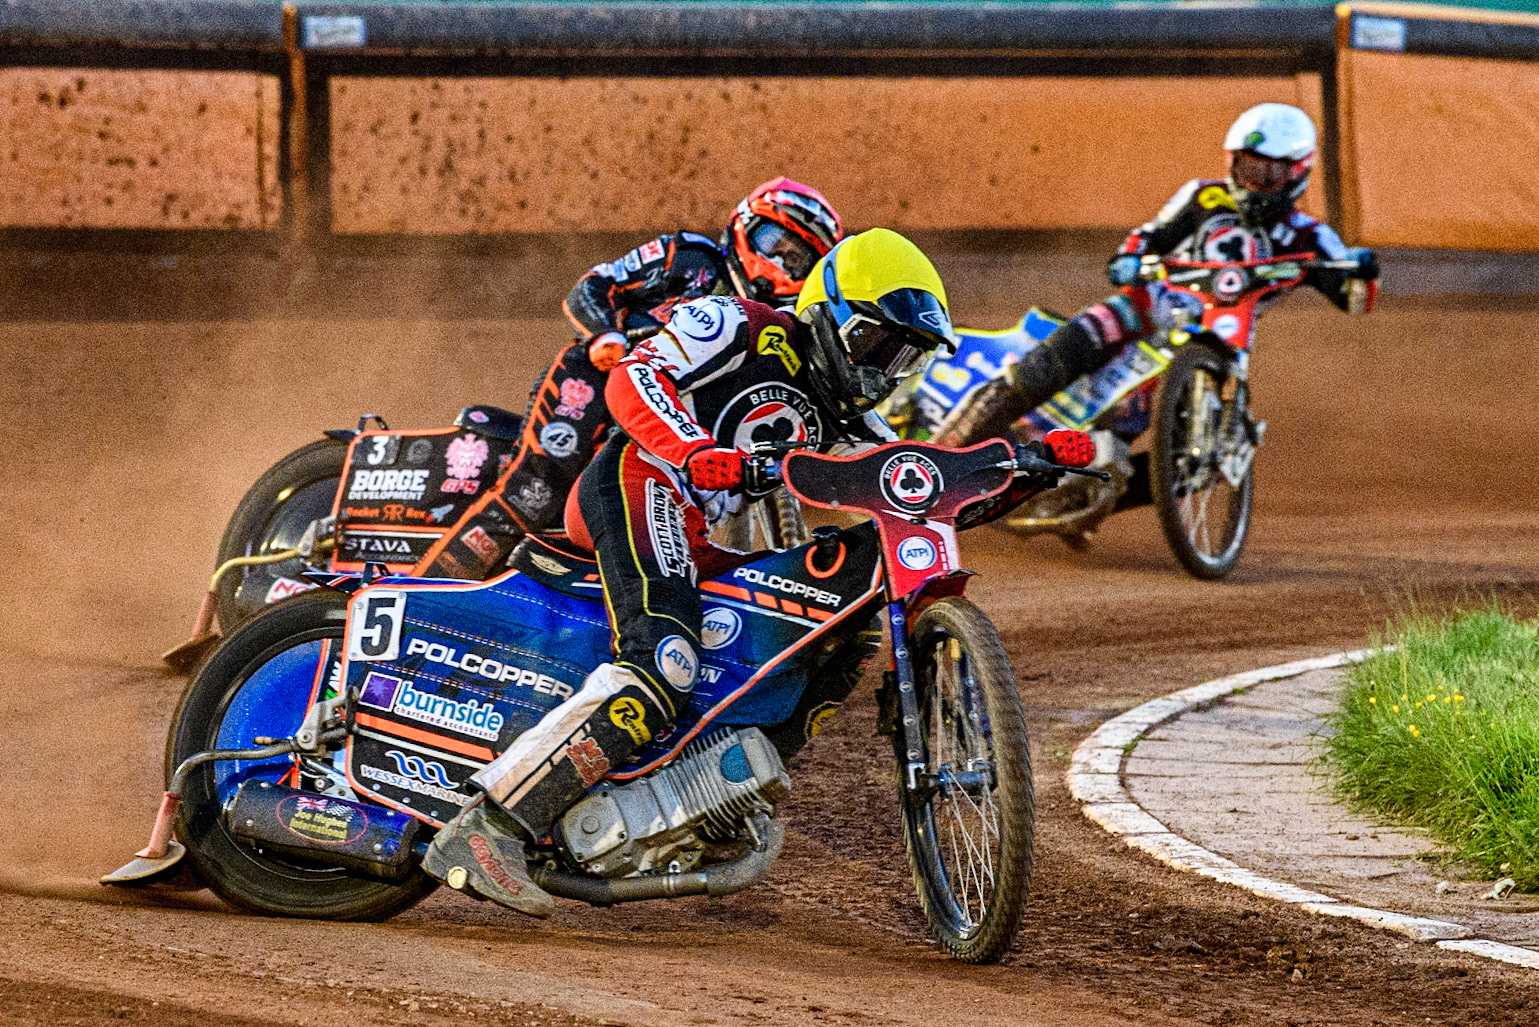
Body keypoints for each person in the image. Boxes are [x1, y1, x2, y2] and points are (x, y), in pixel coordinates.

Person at [421, 228, 1077, 915]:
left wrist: (1026, 473)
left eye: (903, 359)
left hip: (693, 530)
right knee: (663, 662)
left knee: (833, 623)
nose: (883, 374)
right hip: (638, 479)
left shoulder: (849, 422)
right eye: (876, 346)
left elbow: (918, 498)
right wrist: (689, 447)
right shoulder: (738, 323)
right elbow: (633, 377)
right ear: (831, 315)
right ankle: (491, 824)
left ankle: (700, 790)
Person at [413, 178, 843, 580]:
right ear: (744, 226)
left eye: (796, 257)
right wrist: (605, 334)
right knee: (534, 492)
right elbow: (596, 283)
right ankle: (423, 589)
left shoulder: (778, 326)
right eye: (772, 241)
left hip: (668, 419)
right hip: (598, 381)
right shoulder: (690, 257)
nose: (779, 261)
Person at [937, 103, 1381, 447]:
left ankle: (1090, 486)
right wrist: (1129, 259)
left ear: (1298, 172)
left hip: (1213, 337)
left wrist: (1363, 271)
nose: (1254, 183)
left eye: (1268, 173)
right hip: (1151, 303)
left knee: (1139, 425)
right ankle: (955, 441)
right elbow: (1148, 237)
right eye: (1247, 168)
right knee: (1064, 350)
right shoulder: (1203, 197)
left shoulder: (1311, 236)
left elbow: (1355, 300)